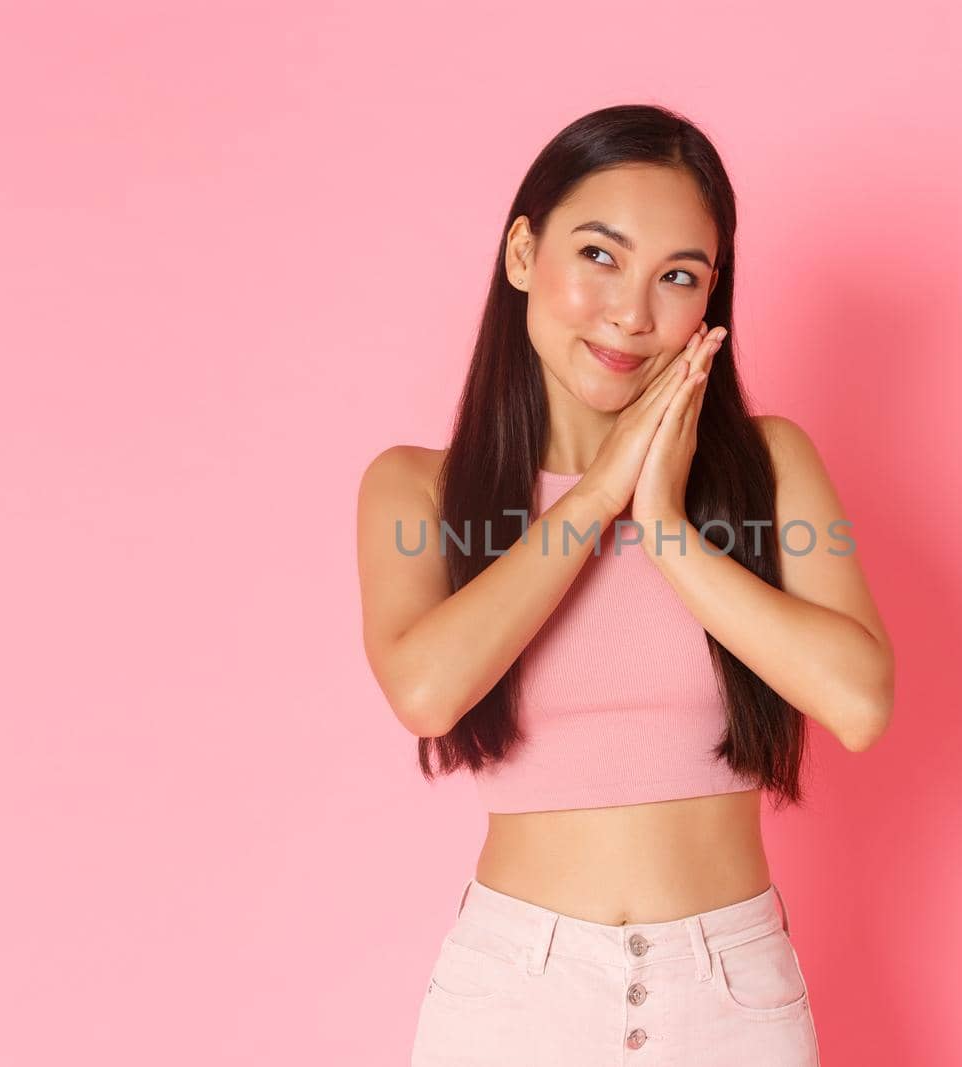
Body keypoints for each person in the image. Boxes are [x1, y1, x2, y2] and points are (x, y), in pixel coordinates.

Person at [357, 103, 894, 1066]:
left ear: (710, 301)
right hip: (515, 996)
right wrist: (600, 491)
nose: (633, 313)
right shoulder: (417, 488)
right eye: (600, 256)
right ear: (523, 253)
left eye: (677, 276)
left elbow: (857, 701)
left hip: (730, 995)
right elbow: (428, 692)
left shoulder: (771, 466)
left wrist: (667, 528)